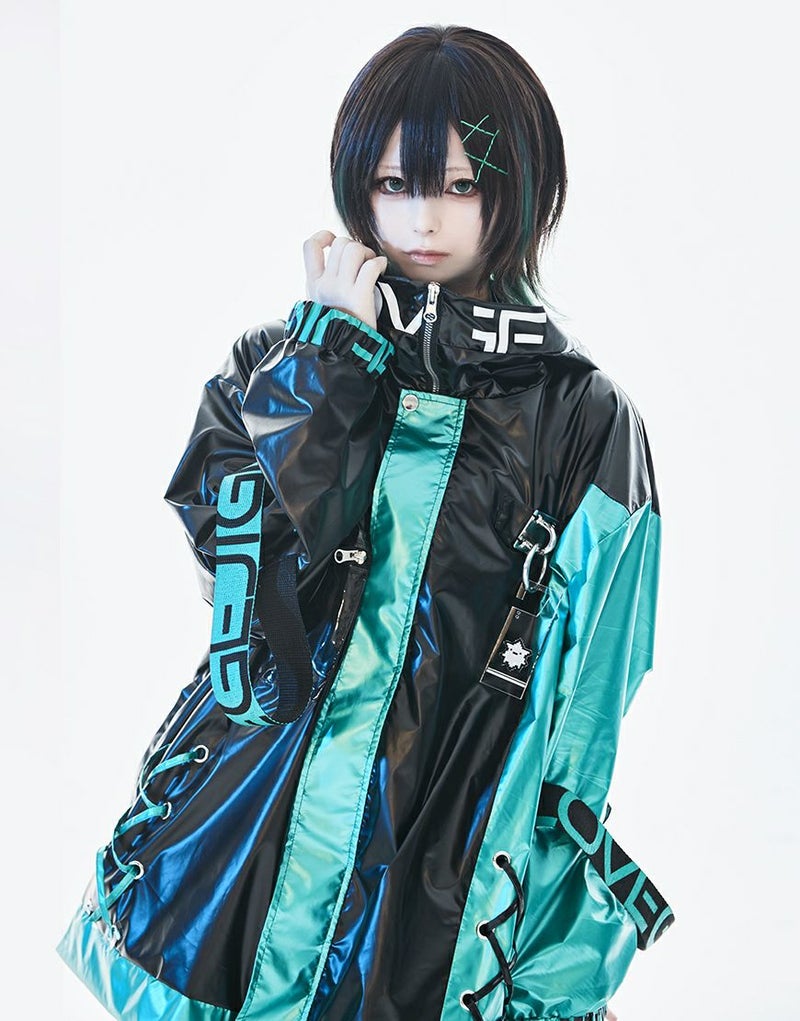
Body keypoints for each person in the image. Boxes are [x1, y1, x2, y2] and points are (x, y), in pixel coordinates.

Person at [56, 23, 674, 1021]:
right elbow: (244, 616)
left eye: (460, 185)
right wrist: (330, 365)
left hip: (439, 875)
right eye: (394, 183)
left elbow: (587, 710)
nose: (422, 218)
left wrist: (542, 939)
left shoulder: (583, 419)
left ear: (520, 189)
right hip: (237, 857)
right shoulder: (280, 363)